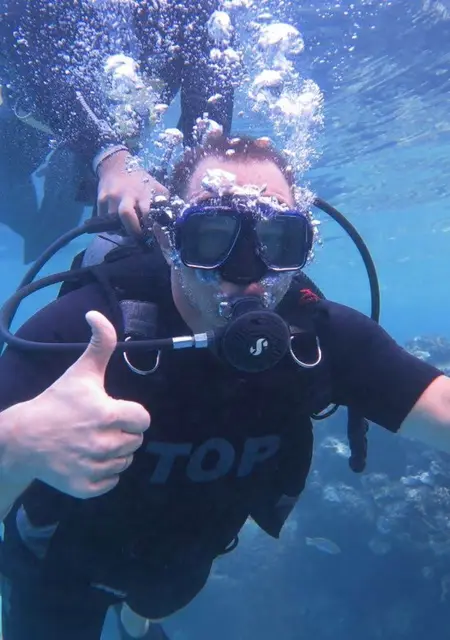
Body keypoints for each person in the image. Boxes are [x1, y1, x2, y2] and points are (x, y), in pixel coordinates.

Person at [0, 135, 449, 640]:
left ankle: (134, 621)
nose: (247, 273)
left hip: (180, 569)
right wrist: (17, 443)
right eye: (212, 238)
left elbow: (442, 405)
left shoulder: (318, 337)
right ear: (169, 240)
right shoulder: (82, 331)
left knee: (149, 608)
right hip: (56, 571)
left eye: (277, 241)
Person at [0, 0, 234, 262]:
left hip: (118, 126)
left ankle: (69, 176)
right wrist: (110, 156)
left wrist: (205, 175)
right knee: (8, 187)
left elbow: (208, 89)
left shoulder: (196, 10)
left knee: (68, 220)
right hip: (31, 118)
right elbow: (25, 45)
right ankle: (56, 194)